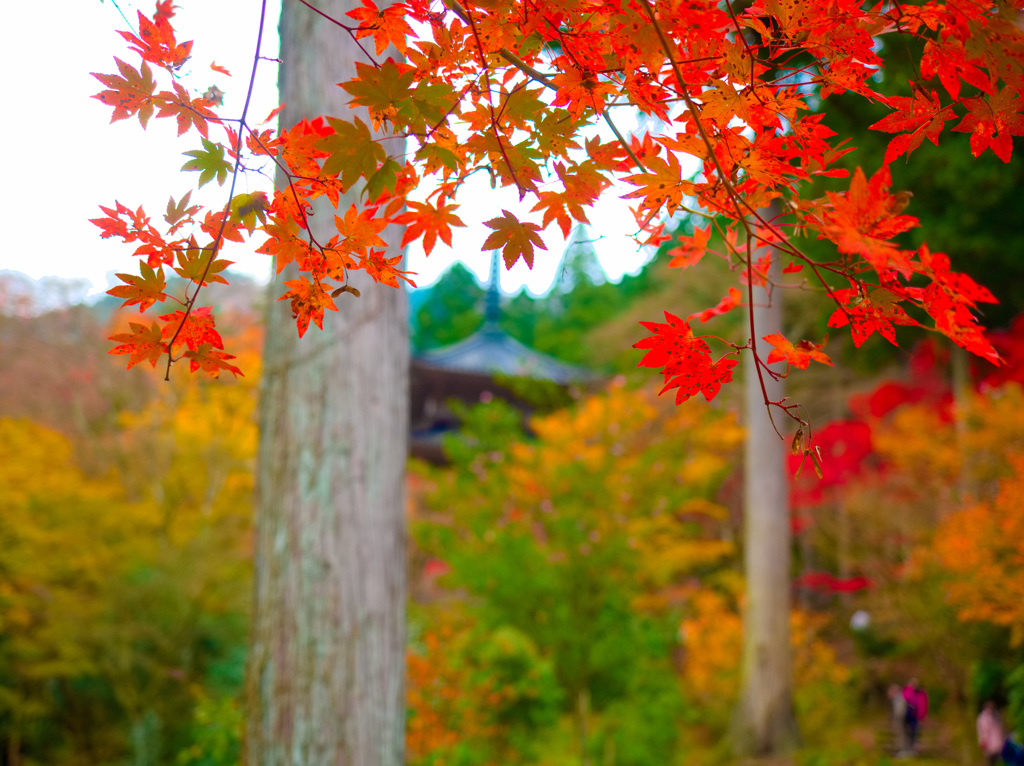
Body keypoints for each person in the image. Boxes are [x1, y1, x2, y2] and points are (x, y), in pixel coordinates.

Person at [903, 678, 929, 754]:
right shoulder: (911, 692)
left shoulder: (917, 693)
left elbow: (922, 705)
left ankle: (912, 748)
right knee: (912, 732)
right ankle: (910, 748)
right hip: (911, 715)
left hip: (914, 715)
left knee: (913, 733)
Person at [977, 701, 1008, 765]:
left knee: (1002, 760)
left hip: (1000, 744)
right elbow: (982, 731)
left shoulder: (997, 715)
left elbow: (1003, 728)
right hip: (990, 745)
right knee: (992, 761)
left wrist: (1005, 738)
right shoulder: (983, 718)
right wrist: (983, 742)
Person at [889, 684, 909, 754]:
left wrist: (898, 717)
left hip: (900, 718)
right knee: (899, 734)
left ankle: (903, 750)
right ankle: (901, 749)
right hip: (899, 718)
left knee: (901, 734)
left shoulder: (900, 698)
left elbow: (901, 709)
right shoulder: (896, 698)